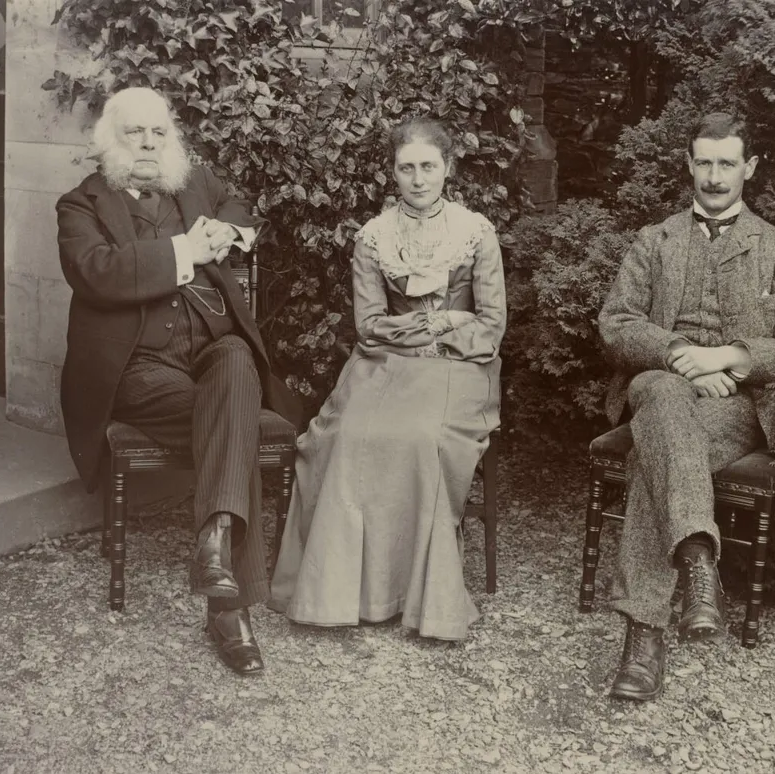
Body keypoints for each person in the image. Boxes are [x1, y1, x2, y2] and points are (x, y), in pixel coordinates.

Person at [56, 87, 300, 676]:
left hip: (209, 355)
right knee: (234, 421)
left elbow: (239, 205)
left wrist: (229, 234)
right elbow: (97, 272)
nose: (146, 143)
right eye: (133, 132)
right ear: (110, 141)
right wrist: (185, 249)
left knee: (238, 357)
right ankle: (227, 608)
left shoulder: (195, 183)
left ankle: (214, 543)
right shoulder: (80, 204)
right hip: (134, 368)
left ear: (172, 140)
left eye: (157, 133)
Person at [597, 112, 775, 701]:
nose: (715, 176)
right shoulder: (655, 240)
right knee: (665, 396)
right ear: (689, 164)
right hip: (656, 383)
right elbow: (616, 326)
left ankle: (643, 645)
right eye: (705, 162)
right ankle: (698, 562)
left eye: (728, 163)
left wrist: (726, 356)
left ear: (748, 167)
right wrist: (675, 352)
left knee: (657, 455)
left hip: (735, 405)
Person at [268, 117, 506, 641]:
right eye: (406, 168)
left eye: (428, 166)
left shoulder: (476, 233)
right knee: (349, 437)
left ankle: (420, 597)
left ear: (449, 167)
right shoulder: (374, 238)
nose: (418, 178)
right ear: (392, 173)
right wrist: (442, 319)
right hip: (384, 363)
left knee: (420, 439)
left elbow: (489, 327)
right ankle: (342, 593)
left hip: (460, 366)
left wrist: (446, 332)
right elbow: (370, 328)